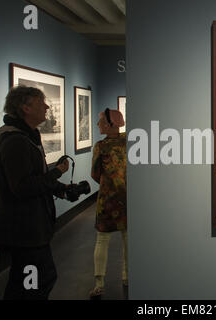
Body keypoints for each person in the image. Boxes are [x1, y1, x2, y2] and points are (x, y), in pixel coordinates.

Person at [0, 85, 69, 300]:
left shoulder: (27, 138)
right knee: (33, 284)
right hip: (24, 231)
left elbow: (32, 179)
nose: (46, 106)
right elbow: (23, 188)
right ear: (25, 107)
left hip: (30, 229)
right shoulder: (16, 142)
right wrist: (57, 174)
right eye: (40, 102)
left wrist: (61, 189)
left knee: (29, 282)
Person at [89, 108, 127, 299]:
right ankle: (127, 276)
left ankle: (99, 282)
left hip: (107, 199)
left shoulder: (101, 146)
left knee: (102, 240)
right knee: (128, 239)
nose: (98, 125)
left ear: (110, 124)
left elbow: (95, 173)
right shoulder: (130, 142)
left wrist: (109, 184)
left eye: (101, 121)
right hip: (127, 198)